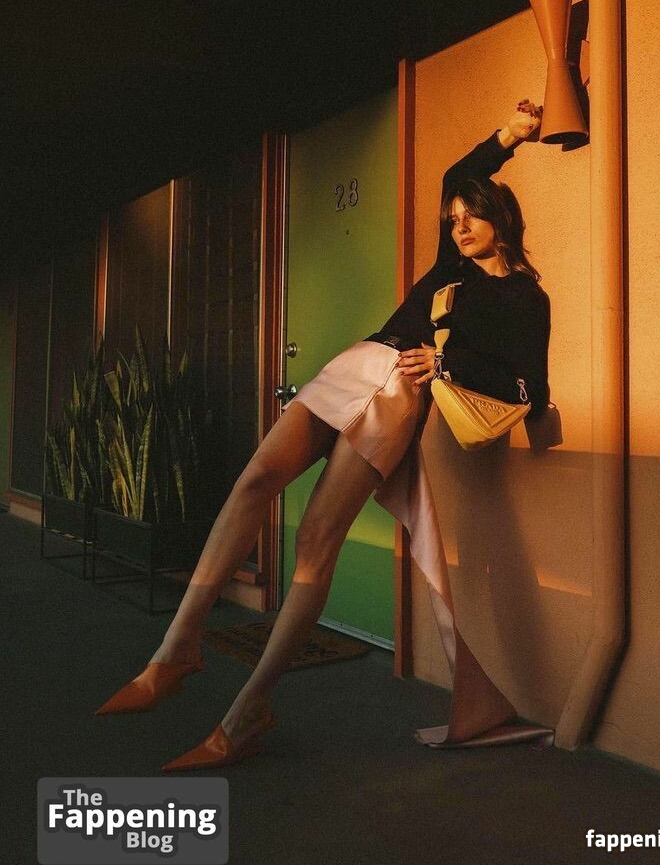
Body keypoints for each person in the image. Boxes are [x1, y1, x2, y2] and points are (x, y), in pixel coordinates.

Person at [94, 100, 556, 770]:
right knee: (255, 479)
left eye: (471, 216)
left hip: (397, 397)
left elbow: (528, 387)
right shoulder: (450, 267)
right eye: (453, 218)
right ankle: (177, 649)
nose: (458, 226)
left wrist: (446, 364)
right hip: (358, 362)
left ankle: (248, 711)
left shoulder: (524, 297)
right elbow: (456, 174)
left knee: (314, 544)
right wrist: (509, 135)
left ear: (502, 219)